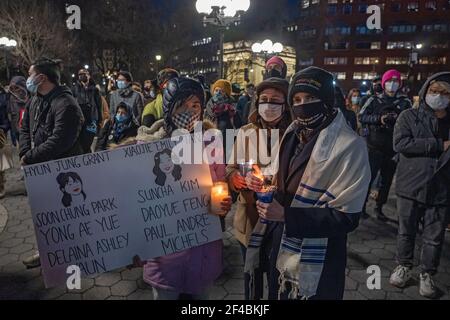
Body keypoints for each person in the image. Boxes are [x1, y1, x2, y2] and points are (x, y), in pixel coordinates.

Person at [245, 67, 370, 300]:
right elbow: (283, 178)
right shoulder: (293, 133)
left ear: (327, 100)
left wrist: (286, 215)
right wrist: (264, 182)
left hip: (320, 255)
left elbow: (347, 217)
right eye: (297, 99)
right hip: (282, 244)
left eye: (311, 98)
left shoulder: (350, 146)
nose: (303, 105)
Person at [132, 77, 232, 300]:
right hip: (164, 257)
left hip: (204, 249)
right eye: (181, 105)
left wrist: (222, 203)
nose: (189, 111)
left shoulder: (211, 142)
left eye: (195, 105)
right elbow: (136, 203)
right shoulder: (147, 148)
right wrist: (135, 244)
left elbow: (220, 181)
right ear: (168, 108)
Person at [226, 77, 292, 300]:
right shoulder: (245, 132)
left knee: (277, 278)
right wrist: (238, 179)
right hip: (249, 219)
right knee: (252, 278)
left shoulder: (294, 134)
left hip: (280, 222)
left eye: (275, 100)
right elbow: (231, 169)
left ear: (286, 104)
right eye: (264, 100)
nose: (269, 105)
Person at [19, 58, 85, 269]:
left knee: (64, 214)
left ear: (41, 77)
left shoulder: (66, 104)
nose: (28, 79)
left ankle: (72, 251)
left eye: (30, 74)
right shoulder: (35, 99)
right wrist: (24, 152)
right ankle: (48, 251)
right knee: (45, 213)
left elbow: (59, 141)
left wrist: (30, 157)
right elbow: (24, 128)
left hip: (62, 170)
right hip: (41, 168)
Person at [390, 72, 450, 299]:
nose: (439, 97)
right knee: (406, 231)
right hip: (410, 185)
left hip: (442, 189)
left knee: (434, 237)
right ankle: (404, 265)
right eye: (435, 91)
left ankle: (427, 273)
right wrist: (437, 144)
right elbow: (400, 143)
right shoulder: (409, 116)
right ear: (426, 91)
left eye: (445, 93)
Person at [359, 69, 412, 220]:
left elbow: (410, 122)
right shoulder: (374, 100)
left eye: (396, 81)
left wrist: (398, 120)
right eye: (390, 81)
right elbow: (362, 116)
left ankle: (379, 207)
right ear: (384, 83)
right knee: (368, 179)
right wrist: (379, 119)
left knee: (386, 181)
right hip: (374, 147)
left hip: (393, 148)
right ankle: (361, 206)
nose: (392, 84)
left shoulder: (404, 102)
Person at [71, 68, 103, 153]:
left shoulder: (94, 89)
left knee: (89, 140)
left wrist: (99, 118)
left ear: (88, 75)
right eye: (80, 74)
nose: (82, 76)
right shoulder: (74, 89)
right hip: (80, 119)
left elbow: (99, 104)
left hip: (92, 119)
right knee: (81, 142)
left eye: (84, 74)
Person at [204, 79, 240, 149]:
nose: (218, 93)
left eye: (222, 91)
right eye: (216, 90)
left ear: (227, 94)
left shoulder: (232, 110)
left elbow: (238, 130)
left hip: (227, 145)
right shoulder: (208, 109)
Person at [6, 76, 29, 147]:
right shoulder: (11, 98)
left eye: (16, 87)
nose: (14, 90)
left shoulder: (31, 97)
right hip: (18, 130)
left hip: (30, 131)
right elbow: (9, 113)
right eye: (12, 88)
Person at [0, 86, 11, 199]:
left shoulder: (3, 96)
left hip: (0, 131)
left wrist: (3, 128)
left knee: (1, 160)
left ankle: (1, 185)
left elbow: (6, 115)